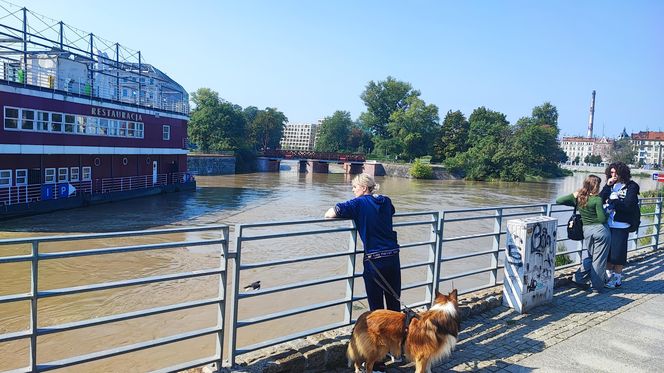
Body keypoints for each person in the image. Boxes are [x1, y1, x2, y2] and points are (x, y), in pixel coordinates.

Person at [325, 173, 401, 311]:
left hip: (374, 260)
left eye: (354, 187)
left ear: (364, 188)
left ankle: (380, 332)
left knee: (376, 307)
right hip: (393, 256)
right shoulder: (386, 200)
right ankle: (398, 331)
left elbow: (330, 213)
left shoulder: (358, 203)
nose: (353, 190)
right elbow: (392, 211)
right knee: (394, 302)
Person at [556, 174, 611, 292]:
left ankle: (578, 278)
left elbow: (558, 200)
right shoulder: (597, 199)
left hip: (587, 231)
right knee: (599, 260)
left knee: (591, 257)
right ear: (596, 185)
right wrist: (608, 212)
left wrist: (573, 194)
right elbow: (602, 219)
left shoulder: (579, 198)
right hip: (601, 231)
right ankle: (597, 287)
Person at [600, 162, 640, 288]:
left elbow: (628, 205)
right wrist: (607, 186)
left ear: (623, 173)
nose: (614, 175)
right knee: (608, 254)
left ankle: (617, 280)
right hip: (608, 224)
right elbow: (599, 200)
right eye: (611, 172)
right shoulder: (611, 185)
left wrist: (615, 201)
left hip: (621, 225)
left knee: (618, 254)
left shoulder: (632, 186)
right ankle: (607, 277)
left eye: (616, 172)